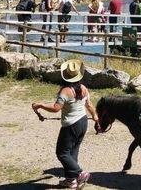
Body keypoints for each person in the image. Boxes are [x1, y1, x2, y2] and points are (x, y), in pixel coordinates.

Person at [32, 59, 97, 189]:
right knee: (72, 152)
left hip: (71, 125)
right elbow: (89, 104)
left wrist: (41, 105)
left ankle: (80, 173)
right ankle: (71, 180)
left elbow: (56, 108)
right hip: (83, 122)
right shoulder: (83, 88)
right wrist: (95, 116)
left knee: (62, 152)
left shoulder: (66, 91)